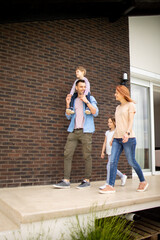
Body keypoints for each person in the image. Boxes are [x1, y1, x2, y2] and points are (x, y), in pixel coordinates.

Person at [99, 85, 149, 194]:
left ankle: (143, 181)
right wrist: (113, 137)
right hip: (117, 139)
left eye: (117, 93)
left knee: (131, 161)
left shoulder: (130, 105)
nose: (115, 95)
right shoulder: (117, 107)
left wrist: (127, 133)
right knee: (112, 161)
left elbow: (130, 121)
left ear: (122, 93)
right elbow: (118, 125)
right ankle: (110, 186)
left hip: (128, 138)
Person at [53, 79, 99, 189]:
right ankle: (66, 180)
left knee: (87, 156)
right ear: (76, 88)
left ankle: (87, 180)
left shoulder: (90, 98)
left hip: (85, 132)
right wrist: (67, 104)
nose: (83, 88)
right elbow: (68, 116)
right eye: (81, 87)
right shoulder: (74, 99)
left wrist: (86, 101)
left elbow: (95, 112)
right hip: (73, 131)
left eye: (84, 86)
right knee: (67, 154)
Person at [99, 117, 127, 190]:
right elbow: (105, 142)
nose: (109, 124)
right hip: (108, 152)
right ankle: (122, 176)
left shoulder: (116, 132)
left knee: (109, 167)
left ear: (114, 123)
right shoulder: (107, 132)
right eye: (108, 122)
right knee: (111, 167)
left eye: (110, 122)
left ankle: (107, 183)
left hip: (114, 152)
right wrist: (102, 151)